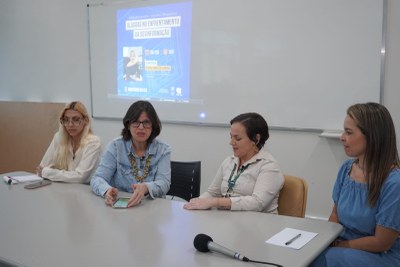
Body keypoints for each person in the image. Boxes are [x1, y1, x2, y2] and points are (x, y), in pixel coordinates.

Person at [309, 103, 400, 267]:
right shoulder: (346, 169)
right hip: (343, 244)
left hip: (380, 254)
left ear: (372, 136)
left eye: (349, 132)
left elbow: (382, 242)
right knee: (307, 254)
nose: (342, 137)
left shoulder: (394, 183)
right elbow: (335, 214)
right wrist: (325, 240)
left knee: (320, 261)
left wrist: (338, 246)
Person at [184, 112, 284, 213]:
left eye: (238, 138)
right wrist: (196, 203)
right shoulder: (229, 161)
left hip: (258, 225)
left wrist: (217, 202)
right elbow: (212, 193)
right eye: (231, 137)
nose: (231, 143)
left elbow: (257, 203)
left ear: (256, 139)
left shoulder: (269, 166)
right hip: (228, 221)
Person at [90, 100, 171, 208]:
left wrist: (146, 187)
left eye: (146, 122)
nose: (141, 127)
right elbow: (97, 178)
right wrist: (107, 190)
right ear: (128, 125)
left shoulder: (163, 150)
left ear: (153, 126)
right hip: (121, 208)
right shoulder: (115, 147)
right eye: (136, 122)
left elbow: (164, 183)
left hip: (151, 207)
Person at [37, 101, 101, 183]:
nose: (70, 124)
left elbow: (80, 177)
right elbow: (41, 168)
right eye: (66, 120)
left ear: (86, 121)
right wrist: (46, 172)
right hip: (62, 189)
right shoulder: (58, 137)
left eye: (76, 119)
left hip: (84, 191)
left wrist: (48, 172)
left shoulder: (93, 142)